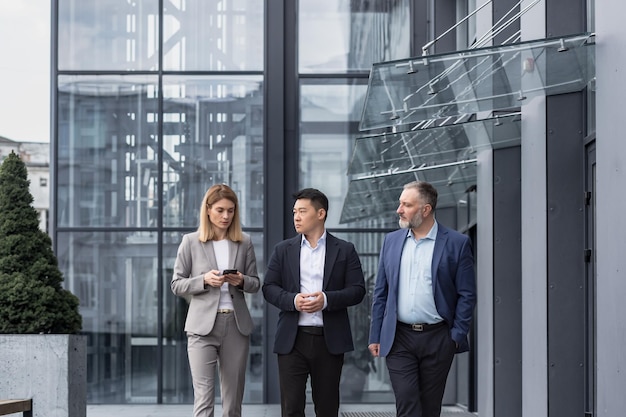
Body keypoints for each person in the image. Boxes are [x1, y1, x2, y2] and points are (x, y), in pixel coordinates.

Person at [368, 181, 476, 417]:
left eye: (407, 205)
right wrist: (375, 334)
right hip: (400, 337)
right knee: (406, 400)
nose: (399, 209)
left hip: (438, 338)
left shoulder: (457, 243)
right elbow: (381, 292)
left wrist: (456, 335)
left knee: (429, 407)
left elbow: (467, 294)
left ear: (425, 210)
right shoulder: (392, 241)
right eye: (400, 203)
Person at [262, 188, 366, 417]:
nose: (296, 217)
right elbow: (268, 288)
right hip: (292, 340)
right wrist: (293, 300)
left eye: (302, 211)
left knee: (327, 409)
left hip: (329, 341)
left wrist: (326, 300)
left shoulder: (345, 250)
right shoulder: (283, 250)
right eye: (294, 212)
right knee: (291, 409)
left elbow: (358, 290)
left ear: (320, 214)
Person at [171, 184, 260, 417]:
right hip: (201, 329)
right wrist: (203, 280)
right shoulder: (190, 242)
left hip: (236, 326)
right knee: (204, 399)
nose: (226, 216)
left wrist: (241, 280)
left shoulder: (245, 242)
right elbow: (176, 284)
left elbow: (256, 283)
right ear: (208, 210)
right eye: (220, 210)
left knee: (232, 402)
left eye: (231, 210)